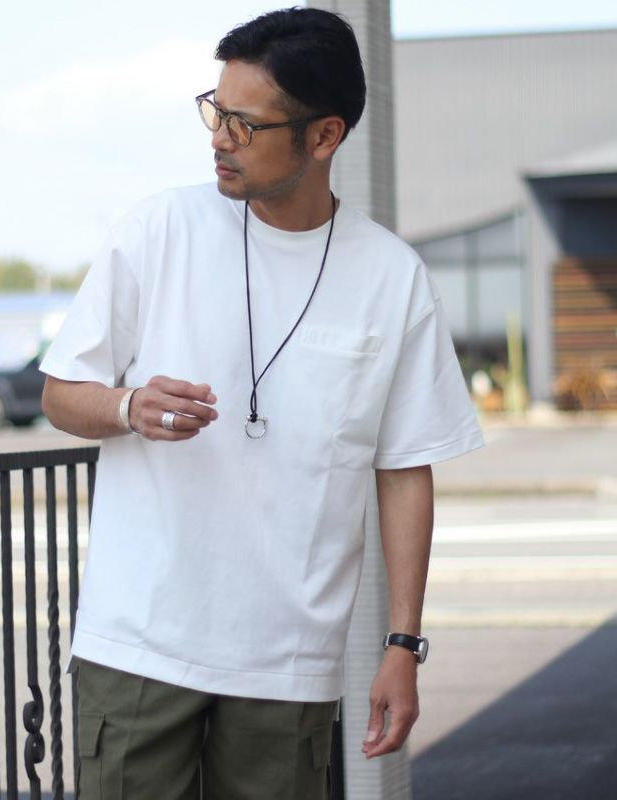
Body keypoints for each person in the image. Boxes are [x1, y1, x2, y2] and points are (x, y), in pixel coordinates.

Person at [40, 7, 483, 799]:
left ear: (325, 136)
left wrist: (402, 646)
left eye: (245, 124)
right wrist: (127, 406)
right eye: (215, 111)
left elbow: (403, 469)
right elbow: (60, 394)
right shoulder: (159, 230)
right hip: (140, 645)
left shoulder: (392, 278)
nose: (219, 138)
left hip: (288, 664)